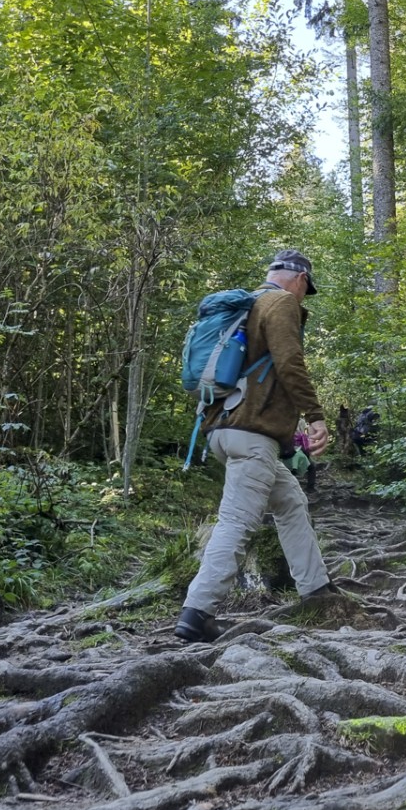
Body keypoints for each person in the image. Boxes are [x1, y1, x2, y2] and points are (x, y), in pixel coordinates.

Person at [175, 249, 336, 643]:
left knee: (291, 502)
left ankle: (316, 590)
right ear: (300, 280)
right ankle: (197, 612)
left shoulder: (245, 307)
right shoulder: (279, 303)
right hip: (252, 435)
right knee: (236, 521)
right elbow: (290, 362)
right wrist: (315, 416)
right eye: (305, 290)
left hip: (223, 430)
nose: (303, 297)